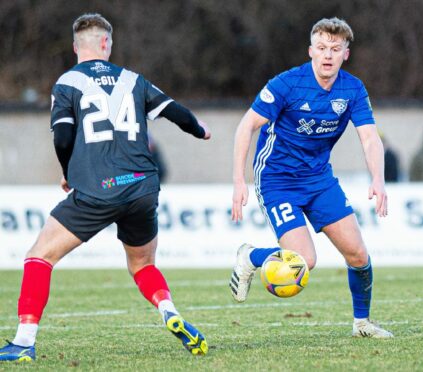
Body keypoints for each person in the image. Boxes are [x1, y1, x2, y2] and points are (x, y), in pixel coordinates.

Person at [0, 13, 211, 362]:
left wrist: (68, 172)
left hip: (98, 189)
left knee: (39, 256)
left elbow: (64, 135)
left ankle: (23, 342)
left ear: (75, 47)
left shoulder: (68, 82)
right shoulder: (133, 79)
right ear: (107, 44)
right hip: (143, 186)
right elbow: (176, 112)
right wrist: (200, 130)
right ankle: (169, 312)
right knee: (143, 264)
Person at [229, 17, 393, 339]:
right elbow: (246, 126)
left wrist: (378, 178)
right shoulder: (287, 84)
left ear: (346, 53)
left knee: (359, 255)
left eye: (335, 48)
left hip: (319, 179)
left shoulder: (353, 89)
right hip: (277, 179)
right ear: (310, 51)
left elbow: (370, 139)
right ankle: (250, 256)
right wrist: (238, 179)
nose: (327, 55)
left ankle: (362, 323)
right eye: (321, 48)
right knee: (303, 261)